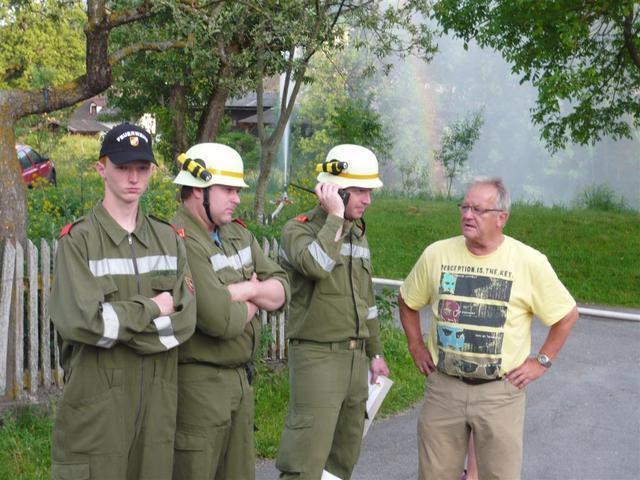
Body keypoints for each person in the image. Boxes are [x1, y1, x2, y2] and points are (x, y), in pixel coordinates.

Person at [398, 176, 579, 480]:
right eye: (464, 207)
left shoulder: (529, 261)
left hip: (500, 393)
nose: (467, 215)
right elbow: (407, 300)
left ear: (501, 218)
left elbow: (566, 315)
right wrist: (415, 345)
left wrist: (542, 361)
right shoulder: (436, 254)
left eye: (478, 210)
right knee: (433, 474)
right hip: (444, 388)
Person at [49, 123, 197, 480]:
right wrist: (152, 307)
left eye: (142, 168)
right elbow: (82, 324)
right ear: (102, 168)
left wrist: (118, 327)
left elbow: (185, 322)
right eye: (122, 167)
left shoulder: (168, 239)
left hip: (157, 409)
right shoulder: (78, 242)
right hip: (98, 409)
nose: (133, 177)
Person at [171, 143, 289, 480]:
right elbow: (218, 319)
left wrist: (246, 290)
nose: (236, 198)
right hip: (199, 387)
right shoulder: (179, 239)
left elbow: (283, 290)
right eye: (228, 189)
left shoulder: (238, 233)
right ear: (197, 190)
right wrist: (256, 297)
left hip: (241, 382)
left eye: (237, 190)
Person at [276, 144, 391, 480]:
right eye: (360, 191)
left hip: (355, 362)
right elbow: (317, 265)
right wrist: (335, 218)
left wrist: (376, 352)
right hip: (317, 357)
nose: (368, 199)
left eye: (370, 191)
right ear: (334, 190)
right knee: (305, 459)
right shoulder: (298, 230)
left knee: (342, 458)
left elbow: (366, 302)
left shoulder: (358, 235)